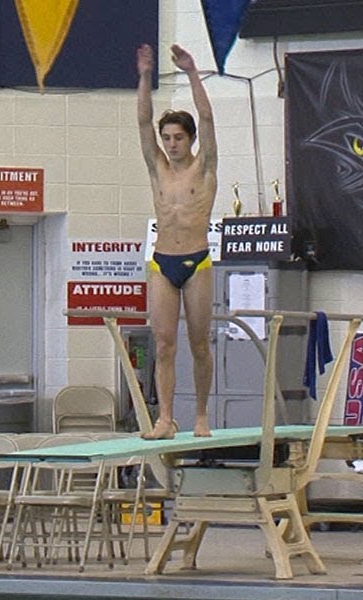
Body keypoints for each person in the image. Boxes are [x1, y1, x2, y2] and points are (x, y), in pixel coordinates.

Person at [136, 42, 218, 439]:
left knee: (199, 344)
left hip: (197, 261)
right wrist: (145, 77)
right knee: (164, 345)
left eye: (177, 138)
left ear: (190, 140)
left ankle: (201, 414)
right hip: (162, 263)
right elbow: (141, 124)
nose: (171, 144)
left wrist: (190, 72)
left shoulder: (204, 167)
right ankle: (165, 418)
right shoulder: (158, 170)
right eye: (166, 138)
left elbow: (206, 117)